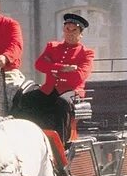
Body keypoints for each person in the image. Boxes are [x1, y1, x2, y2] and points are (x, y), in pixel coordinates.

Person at [12, 13, 95, 145]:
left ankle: (60, 145)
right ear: (63, 30)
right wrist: (61, 68)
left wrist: (52, 69)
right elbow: (39, 64)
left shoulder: (86, 53)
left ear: (81, 34)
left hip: (71, 92)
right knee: (25, 100)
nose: (70, 33)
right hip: (49, 89)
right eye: (67, 29)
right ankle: (26, 139)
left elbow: (79, 76)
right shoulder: (53, 47)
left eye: (74, 30)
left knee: (62, 103)